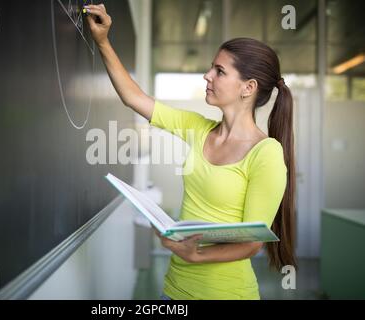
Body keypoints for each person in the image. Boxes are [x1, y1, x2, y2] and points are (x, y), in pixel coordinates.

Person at [84, 3, 297, 300]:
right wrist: (103, 40)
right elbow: (133, 98)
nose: (207, 75)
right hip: (173, 291)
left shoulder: (267, 154)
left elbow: (252, 244)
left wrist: (195, 255)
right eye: (212, 67)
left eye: (219, 71)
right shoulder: (199, 128)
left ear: (248, 88)